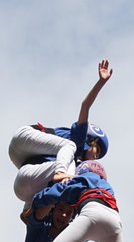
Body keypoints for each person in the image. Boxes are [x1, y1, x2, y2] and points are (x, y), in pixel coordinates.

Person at [7, 60, 112, 202]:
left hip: (23, 166)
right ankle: (60, 173)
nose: (94, 158)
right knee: (70, 151)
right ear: (91, 142)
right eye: (96, 151)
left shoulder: (71, 161)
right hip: (25, 137)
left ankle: (30, 209)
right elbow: (85, 106)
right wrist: (101, 82)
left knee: (68, 175)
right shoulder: (79, 140)